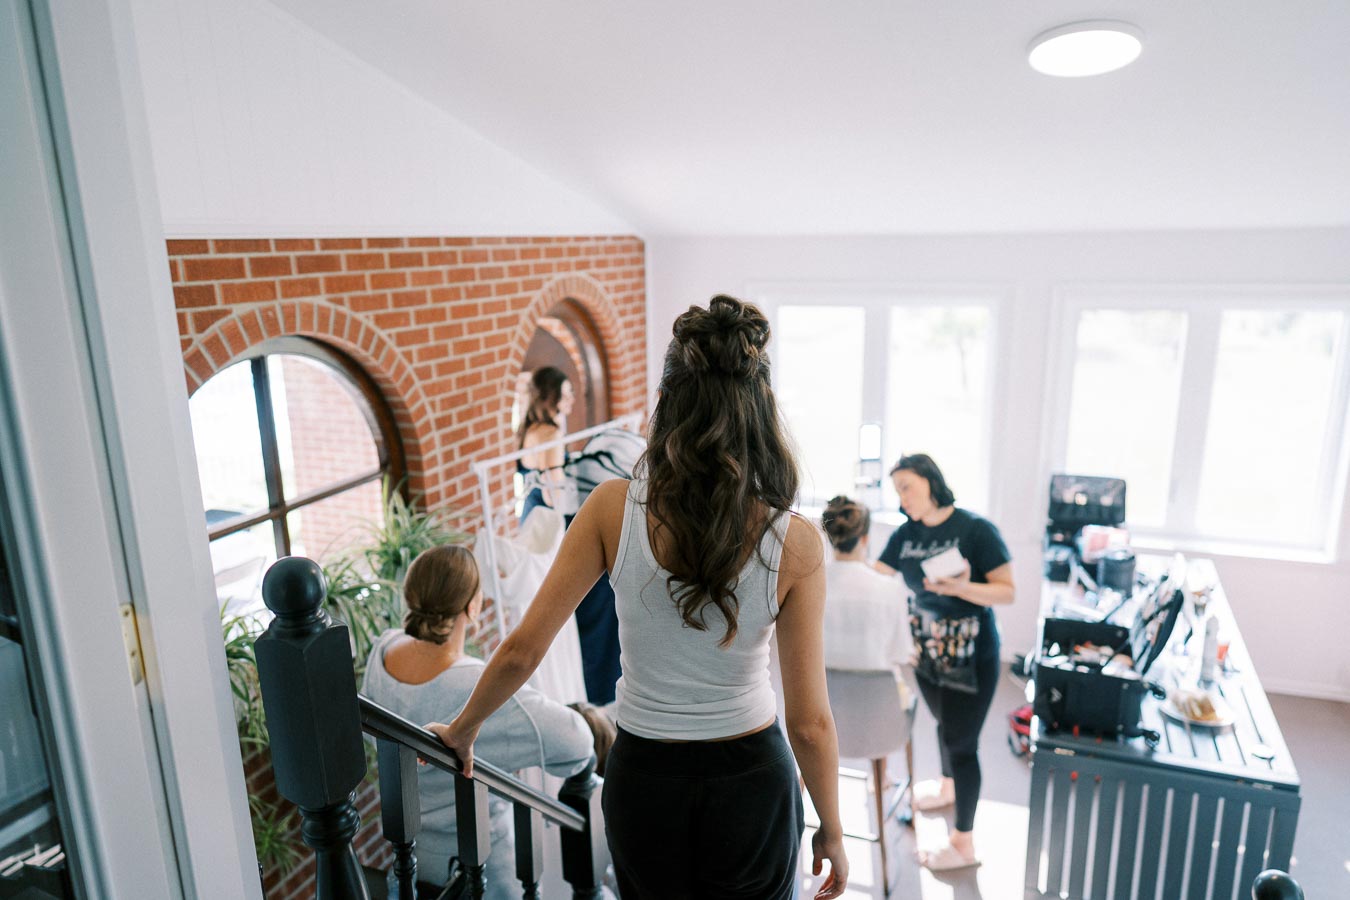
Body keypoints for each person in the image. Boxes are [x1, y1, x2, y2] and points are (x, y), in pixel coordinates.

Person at [429, 295, 848, 899]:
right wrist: (831, 829)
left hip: (646, 774)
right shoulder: (797, 541)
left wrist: (465, 728)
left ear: (668, 402)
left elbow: (523, 649)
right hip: (751, 777)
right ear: (761, 410)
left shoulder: (610, 508)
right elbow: (809, 722)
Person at [360, 544, 603, 897]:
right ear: (472, 606)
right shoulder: (482, 688)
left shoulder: (381, 652)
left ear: (411, 596)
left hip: (409, 865)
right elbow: (577, 741)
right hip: (484, 875)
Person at [873, 453, 1014, 872]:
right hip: (926, 652)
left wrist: (961, 586)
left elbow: (1007, 592)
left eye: (907, 487)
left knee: (962, 743)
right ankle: (949, 788)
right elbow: (877, 578)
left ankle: (963, 844)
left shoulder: (976, 530)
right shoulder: (906, 534)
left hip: (975, 655)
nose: (902, 498)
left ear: (930, 480)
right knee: (944, 724)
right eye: (897, 490)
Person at [819, 495, 912, 676]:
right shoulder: (890, 589)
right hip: (876, 697)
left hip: (824, 698)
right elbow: (901, 654)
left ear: (829, 537)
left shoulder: (810, 585)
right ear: (865, 539)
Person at [517, 366, 576, 523]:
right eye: (565, 394)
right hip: (546, 521)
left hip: (530, 516)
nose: (572, 399)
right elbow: (553, 496)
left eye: (571, 392)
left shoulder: (530, 428)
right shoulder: (551, 434)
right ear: (549, 397)